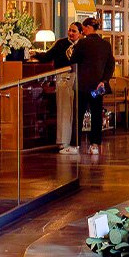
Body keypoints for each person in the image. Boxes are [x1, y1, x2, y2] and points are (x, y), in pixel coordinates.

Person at [68, 16, 115, 155]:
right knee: (96, 114)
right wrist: (104, 80)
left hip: (83, 86)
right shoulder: (106, 45)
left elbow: (73, 60)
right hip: (98, 87)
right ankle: (95, 145)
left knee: (79, 114)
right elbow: (110, 65)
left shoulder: (82, 43)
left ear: (88, 28)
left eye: (83, 29)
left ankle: (75, 145)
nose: (82, 32)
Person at [33, 22, 81, 154]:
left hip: (79, 79)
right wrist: (34, 54)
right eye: (69, 30)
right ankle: (63, 142)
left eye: (74, 31)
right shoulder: (61, 44)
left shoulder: (83, 45)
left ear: (80, 33)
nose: (70, 33)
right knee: (64, 110)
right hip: (63, 78)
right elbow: (47, 56)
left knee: (77, 112)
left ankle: (76, 142)